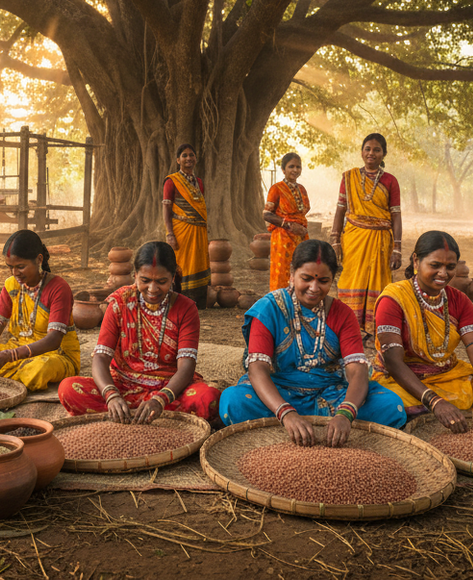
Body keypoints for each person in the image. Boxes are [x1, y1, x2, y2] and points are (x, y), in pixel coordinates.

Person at [218, 240, 406, 445]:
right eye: (306, 278)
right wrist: (286, 413)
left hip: (331, 393)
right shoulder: (268, 308)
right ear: (292, 274)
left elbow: (356, 370)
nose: (314, 288)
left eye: (323, 281)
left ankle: (315, 428)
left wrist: (346, 413)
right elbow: (257, 370)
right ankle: (301, 426)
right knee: (233, 401)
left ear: (332, 280)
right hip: (279, 391)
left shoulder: (342, 314)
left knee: (390, 405)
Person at [372, 231, 473, 429]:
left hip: (449, 374)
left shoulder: (460, 300)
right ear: (416, 261)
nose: (443, 273)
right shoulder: (394, 299)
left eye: (450, 267)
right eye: (435, 265)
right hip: (402, 380)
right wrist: (434, 401)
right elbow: (393, 361)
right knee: (393, 404)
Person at [58, 242, 220, 421]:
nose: (152, 289)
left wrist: (160, 399)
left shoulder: (186, 309)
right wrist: (111, 396)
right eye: (145, 280)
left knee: (208, 397)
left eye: (161, 281)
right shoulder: (120, 303)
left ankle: (135, 414)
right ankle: (140, 414)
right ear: (135, 276)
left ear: (173, 277)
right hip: (122, 386)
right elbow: (101, 357)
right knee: (68, 388)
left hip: (170, 389)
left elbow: (187, 366)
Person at [0, 230, 80, 390]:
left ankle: (2, 376)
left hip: (55, 356)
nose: (14, 273)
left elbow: (54, 340)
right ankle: (11, 377)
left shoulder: (59, 288)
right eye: (10, 267)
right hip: (17, 350)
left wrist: (9, 356)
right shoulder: (11, 284)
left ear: (39, 259)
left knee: (37, 371)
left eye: (20, 267)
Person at [331, 133, 402, 337]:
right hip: (353, 238)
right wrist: (335, 240)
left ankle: (374, 330)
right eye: (367, 149)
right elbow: (340, 210)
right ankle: (348, 327)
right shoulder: (348, 177)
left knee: (378, 283)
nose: (371, 153)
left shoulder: (390, 181)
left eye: (377, 149)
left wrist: (397, 247)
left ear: (383, 154)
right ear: (362, 152)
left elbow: (396, 215)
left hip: (380, 240)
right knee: (350, 280)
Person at [162, 143, 210, 308]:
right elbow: (167, 208)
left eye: (191, 155)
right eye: (184, 155)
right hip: (181, 230)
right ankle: (179, 302)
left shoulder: (199, 182)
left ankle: (197, 302)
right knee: (181, 265)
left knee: (198, 262)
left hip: (198, 232)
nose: (188, 158)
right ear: (178, 160)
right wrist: (169, 233)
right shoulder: (171, 181)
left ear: (195, 159)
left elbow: (199, 208)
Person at [263, 152, 310, 292]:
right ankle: (280, 305)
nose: (295, 170)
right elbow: (266, 214)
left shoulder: (301, 189)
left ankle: (299, 303)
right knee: (282, 271)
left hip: (300, 237)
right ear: (283, 170)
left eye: (298, 167)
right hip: (283, 237)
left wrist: (299, 227)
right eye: (291, 166)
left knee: (302, 270)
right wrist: (289, 225)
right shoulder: (276, 188)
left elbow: (303, 211)